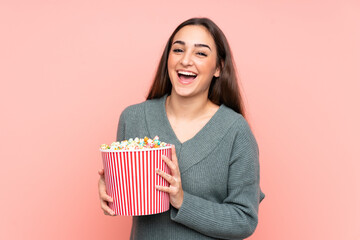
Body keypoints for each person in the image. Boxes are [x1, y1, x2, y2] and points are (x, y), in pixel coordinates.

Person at [98, 17, 265, 240]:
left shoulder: (236, 131)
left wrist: (182, 201)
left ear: (218, 67)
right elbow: (133, 199)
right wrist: (113, 191)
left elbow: (244, 219)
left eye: (201, 53)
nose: (186, 60)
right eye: (178, 50)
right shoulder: (133, 118)